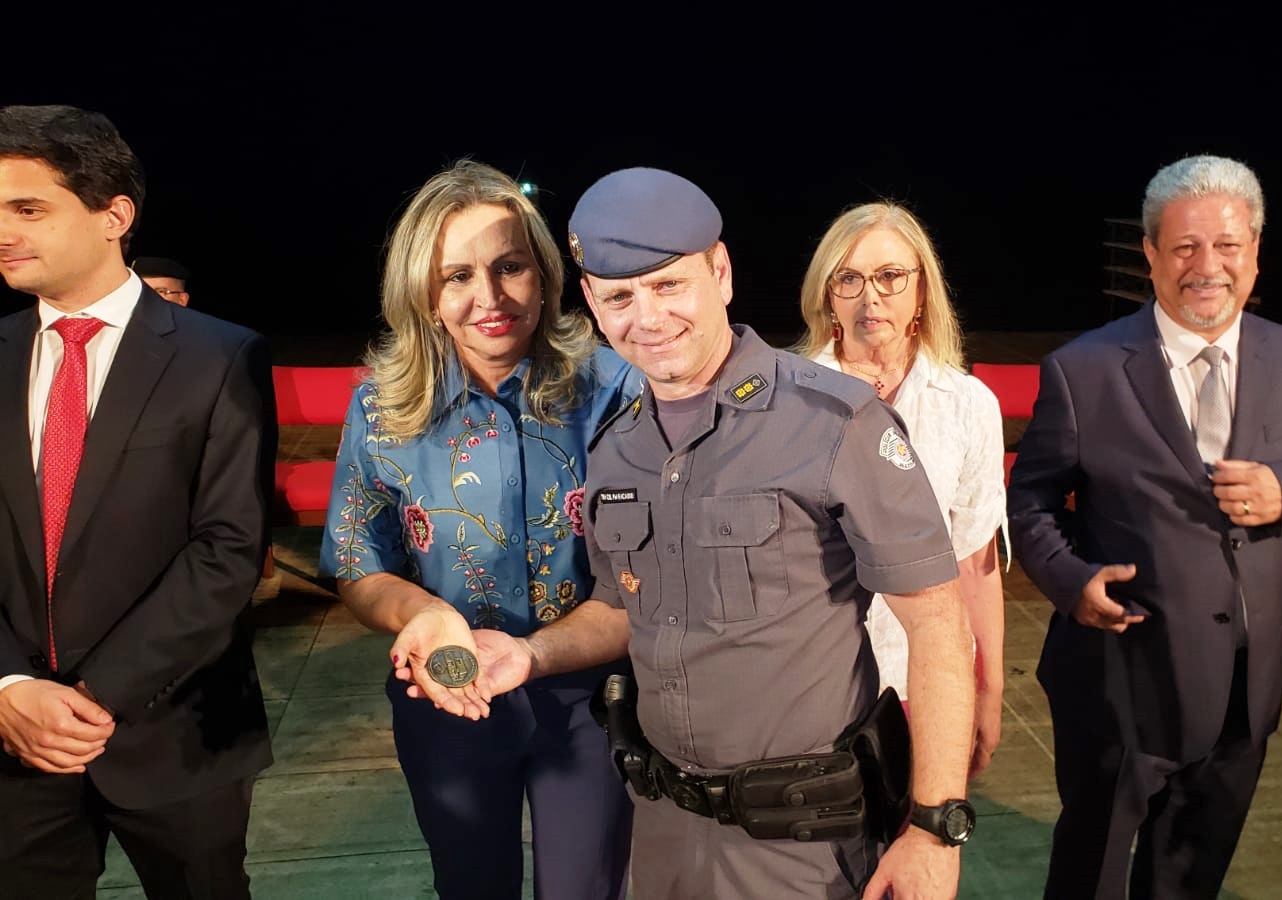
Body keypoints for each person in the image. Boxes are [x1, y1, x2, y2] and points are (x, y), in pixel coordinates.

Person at [396, 167, 978, 900]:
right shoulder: (617, 449)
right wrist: (530, 653)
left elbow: (937, 625)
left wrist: (934, 828)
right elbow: (618, 609)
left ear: (720, 273)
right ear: (593, 305)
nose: (648, 317)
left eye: (669, 285)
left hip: (805, 847)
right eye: (620, 297)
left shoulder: (836, 424)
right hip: (664, 835)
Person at [1008, 154, 1282, 899]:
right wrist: (1073, 580)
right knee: (1091, 873)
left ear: (1255, 253)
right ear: (1150, 254)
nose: (1207, 266)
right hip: (1120, 680)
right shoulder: (1084, 369)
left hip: (1246, 687)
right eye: (1184, 247)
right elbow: (1030, 502)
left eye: (1227, 245)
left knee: (1190, 878)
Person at [318, 160, 637, 899]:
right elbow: (358, 565)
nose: (488, 298)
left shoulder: (619, 391)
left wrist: (539, 654)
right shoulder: (381, 410)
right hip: (447, 691)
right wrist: (425, 614)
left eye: (509, 267)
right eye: (456, 276)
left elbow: (643, 579)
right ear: (424, 294)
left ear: (545, 275)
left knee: (588, 889)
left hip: (591, 697)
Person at [0, 105, 275, 898]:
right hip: (16, 739)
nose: (5, 231)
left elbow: (228, 549)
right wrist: (11, 689)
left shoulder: (219, 356)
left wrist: (91, 699)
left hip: (178, 727)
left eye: (28, 208)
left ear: (114, 215)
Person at [795, 201, 1005, 776]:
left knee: (920, 830)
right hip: (807, 685)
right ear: (827, 295)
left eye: (890, 276)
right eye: (849, 278)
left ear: (921, 291)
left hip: (927, 681)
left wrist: (988, 689)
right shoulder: (787, 398)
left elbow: (975, 562)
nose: (871, 297)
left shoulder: (967, 406)